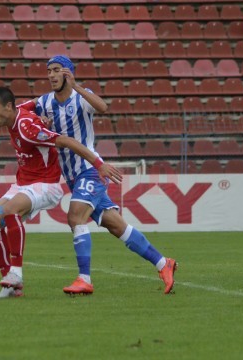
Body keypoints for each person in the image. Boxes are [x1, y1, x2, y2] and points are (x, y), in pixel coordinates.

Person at [20, 55, 177, 296]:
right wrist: (36, 119)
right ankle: (162, 263)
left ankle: (84, 279)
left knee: (75, 218)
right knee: (117, 226)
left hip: (90, 169)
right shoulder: (44, 102)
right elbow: (20, 112)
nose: (51, 75)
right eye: (49, 71)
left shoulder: (81, 97)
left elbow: (103, 107)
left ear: (68, 73)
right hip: (72, 177)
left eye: (57, 70)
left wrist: (78, 87)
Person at [0, 86, 123, 298]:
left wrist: (98, 164)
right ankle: (10, 285)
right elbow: (37, 101)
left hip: (45, 185)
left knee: (10, 211)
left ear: (8, 107)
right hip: (22, 183)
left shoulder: (27, 128)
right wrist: (42, 116)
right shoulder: (20, 109)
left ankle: (16, 273)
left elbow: (66, 141)